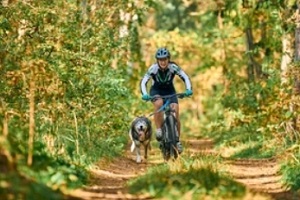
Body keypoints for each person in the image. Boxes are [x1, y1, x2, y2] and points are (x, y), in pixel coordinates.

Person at [140, 47, 193, 153]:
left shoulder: (173, 67)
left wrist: (188, 89)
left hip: (170, 91)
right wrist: (145, 94)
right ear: (157, 60)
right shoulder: (153, 69)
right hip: (156, 91)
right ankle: (159, 129)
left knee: (175, 110)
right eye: (160, 60)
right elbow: (144, 81)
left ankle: (177, 141)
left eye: (164, 59)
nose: (163, 62)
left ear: (168, 59)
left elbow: (185, 77)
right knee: (159, 103)